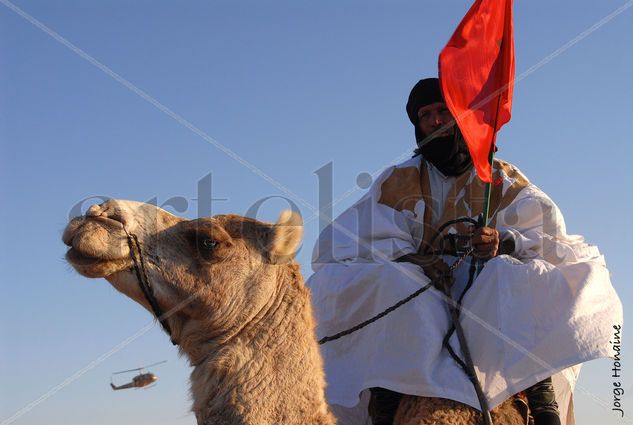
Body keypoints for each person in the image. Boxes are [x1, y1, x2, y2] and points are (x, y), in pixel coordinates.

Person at [307, 78, 622, 425]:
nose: (435, 121)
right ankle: (387, 398)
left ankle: (539, 395)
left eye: (443, 111)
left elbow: (548, 234)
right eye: (426, 115)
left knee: (516, 274)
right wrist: (415, 259)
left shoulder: (500, 176)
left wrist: (503, 240)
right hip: (423, 291)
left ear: (460, 115)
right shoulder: (397, 180)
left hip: (484, 291)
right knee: (386, 280)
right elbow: (348, 241)